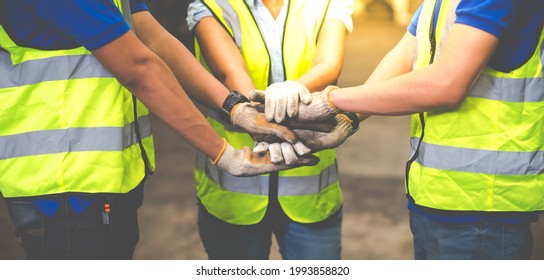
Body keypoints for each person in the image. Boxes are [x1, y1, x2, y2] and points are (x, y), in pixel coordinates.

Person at [0, 0, 318, 259]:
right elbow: (141, 68)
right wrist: (224, 153)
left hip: (97, 183)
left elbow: (152, 37)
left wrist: (236, 108)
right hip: (63, 189)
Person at [255, 0, 544, 259]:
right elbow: (405, 56)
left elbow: (446, 84)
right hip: (436, 197)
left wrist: (331, 100)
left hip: (485, 206)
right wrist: (346, 117)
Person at [186, 0, 356, 259]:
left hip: (309, 192)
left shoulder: (326, 4)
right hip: (235, 196)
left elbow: (329, 65)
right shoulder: (214, 5)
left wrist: (292, 87)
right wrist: (258, 113)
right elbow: (230, 74)